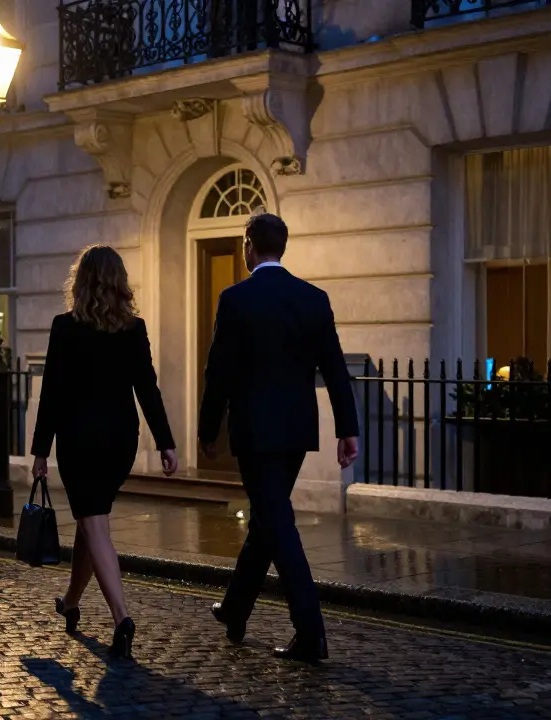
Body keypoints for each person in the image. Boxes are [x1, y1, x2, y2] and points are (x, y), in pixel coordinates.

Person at [198, 213, 359, 664]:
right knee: (268, 519)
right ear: (281, 247)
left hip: (254, 432)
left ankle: (311, 633)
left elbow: (219, 372)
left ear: (249, 245)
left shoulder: (236, 299)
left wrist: (207, 431)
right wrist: (348, 429)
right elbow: (335, 368)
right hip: (295, 432)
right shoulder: (313, 298)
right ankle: (235, 610)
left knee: (277, 523)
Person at [30, 245, 178, 659]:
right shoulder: (134, 328)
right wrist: (166, 443)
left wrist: (40, 451)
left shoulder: (65, 327)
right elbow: (147, 389)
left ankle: (121, 619)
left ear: (81, 282)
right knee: (89, 523)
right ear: (119, 282)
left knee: (95, 524)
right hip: (119, 441)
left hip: (79, 440)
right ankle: (71, 602)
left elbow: (53, 395)